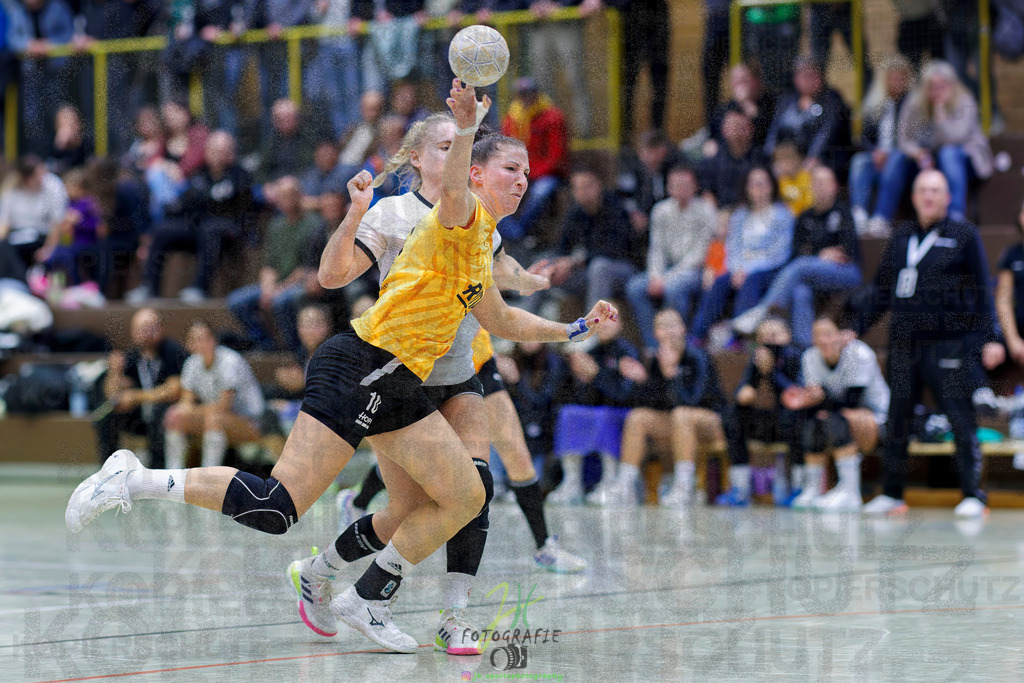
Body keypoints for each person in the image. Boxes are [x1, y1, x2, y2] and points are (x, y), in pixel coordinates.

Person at [65, 80, 616, 656]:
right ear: (475, 174)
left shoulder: (483, 238)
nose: (523, 180)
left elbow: (501, 319)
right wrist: (469, 127)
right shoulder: (458, 211)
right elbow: (442, 192)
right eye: (510, 168)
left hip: (396, 379)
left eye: (527, 172)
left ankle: (368, 598)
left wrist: (572, 330)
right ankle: (131, 480)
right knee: (277, 508)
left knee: (465, 493)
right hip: (362, 366)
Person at [317, 108, 583, 653]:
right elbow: (335, 275)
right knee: (406, 512)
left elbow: (500, 284)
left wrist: (542, 292)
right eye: (442, 145)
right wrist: (353, 216)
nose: (452, 152)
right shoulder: (399, 212)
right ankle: (319, 570)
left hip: (461, 369)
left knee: (475, 490)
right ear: (416, 157)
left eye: (456, 144)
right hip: (402, 375)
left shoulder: (481, 221)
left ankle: (453, 614)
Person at [852, 169, 1004, 519]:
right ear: (914, 196)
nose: (929, 196)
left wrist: (989, 338)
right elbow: (881, 291)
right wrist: (857, 328)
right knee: (899, 418)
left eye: (936, 190)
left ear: (948, 197)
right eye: (923, 190)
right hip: (904, 343)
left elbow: (983, 290)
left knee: (959, 417)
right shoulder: (902, 235)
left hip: (948, 342)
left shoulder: (963, 235)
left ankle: (972, 494)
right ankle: (892, 492)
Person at [606, 309, 726, 507]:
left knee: (682, 415)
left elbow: (695, 400)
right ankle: (625, 486)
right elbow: (654, 405)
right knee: (638, 417)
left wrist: (672, 374)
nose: (669, 331)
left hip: (711, 423)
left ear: (683, 329)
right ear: (655, 334)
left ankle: (683, 487)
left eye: (673, 325)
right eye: (662, 326)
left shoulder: (698, 357)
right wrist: (641, 381)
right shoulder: (656, 360)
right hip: (678, 425)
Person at [732, 166, 862, 347]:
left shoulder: (843, 211)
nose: (820, 186)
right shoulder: (805, 217)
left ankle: (763, 310)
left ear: (834, 186)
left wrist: (815, 254)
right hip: (812, 276)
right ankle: (803, 348)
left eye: (825, 182)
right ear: (810, 187)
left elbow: (845, 250)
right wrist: (820, 255)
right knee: (800, 291)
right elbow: (796, 252)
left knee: (802, 265)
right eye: (816, 182)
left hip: (847, 272)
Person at [780, 317, 890, 511]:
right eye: (818, 335)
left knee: (835, 420)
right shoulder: (810, 357)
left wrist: (820, 398)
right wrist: (809, 399)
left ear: (841, 335)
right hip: (836, 415)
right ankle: (812, 488)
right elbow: (818, 404)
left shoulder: (859, 353)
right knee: (811, 423)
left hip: (878, 419)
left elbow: (852, 401)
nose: (824, 340)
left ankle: (850, 492)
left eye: (828, 334)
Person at [689, 166, 794, 345]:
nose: (758, 189)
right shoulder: (739, 215)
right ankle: (698, 334)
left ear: (772, 186)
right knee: (720, 281)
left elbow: (780, 252)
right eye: (753, 184)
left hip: (769, 269)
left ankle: (738, 337)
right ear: (746, 188)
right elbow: (733, 248)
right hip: (740, 267)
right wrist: (738, 268)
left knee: (751, 280)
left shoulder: (783, 215)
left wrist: (748, 269)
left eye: (763, 184)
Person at [547, 309, 638, 505]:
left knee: (604, 416)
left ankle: (610, 480)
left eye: (611, 320)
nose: (605, 325)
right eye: (601, 320)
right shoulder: (590, 353)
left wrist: (597, 375)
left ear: (620, 324)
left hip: (623, 413)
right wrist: (581, 378)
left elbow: (624, 395)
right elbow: (582, 399)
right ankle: (571, 482)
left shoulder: (628, 352)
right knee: (568, 413)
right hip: (598, 411)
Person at [625, 165, 716, 354]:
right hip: (666, 269)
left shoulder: (705, 210)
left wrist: (665, 280)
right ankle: (653, 346)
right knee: (634, 287)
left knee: (674, 289)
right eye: (675, 185)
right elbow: (656, 249)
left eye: (685, 185)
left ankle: (676, 346)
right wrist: (656, 276)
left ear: (695, 186)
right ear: (668, 188)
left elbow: (699, 254)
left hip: (695, 270)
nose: (680, 189)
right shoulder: (660, 210)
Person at [226, 176, 321, 357]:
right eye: (281, 196)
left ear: (299, 196)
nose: (285, 201)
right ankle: (265, 344)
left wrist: (279, 290)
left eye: (289, 195)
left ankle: (295, 351)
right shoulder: (276, 225)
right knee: (236, 301)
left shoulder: (313, 224)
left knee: (281, 301)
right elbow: (269, 264)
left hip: (303, 283)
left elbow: (307, 267)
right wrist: (267, 289)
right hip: (279, 284)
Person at [717, 317, 806, 506]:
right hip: (766, 424)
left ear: (787, 336)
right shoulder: (757, 358)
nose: (769, 341)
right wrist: (744, 394)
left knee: (797, 417)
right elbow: (743, 391)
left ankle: (800, 487)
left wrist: (771, 371)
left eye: (774, 335)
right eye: (763, 337)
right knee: (733, 415)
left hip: (790, 423)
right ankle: (740, 488)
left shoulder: (797, 357)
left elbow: (796, 394)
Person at [890, 60, 993, 224]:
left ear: (952, 85)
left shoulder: (965, 100)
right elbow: (903, 139)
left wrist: (940, 116)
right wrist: (916, 152)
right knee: (897, 158)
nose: (937, 91)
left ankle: (956, 217)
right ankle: (882, 218)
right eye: (932, 86)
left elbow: (956, 138)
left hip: (965, 159)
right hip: (927, 158)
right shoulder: (915, 102)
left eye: (942, 86)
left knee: (948, 154)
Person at [161, 319, 267, 470]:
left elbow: (223, 407)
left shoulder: (230, 361)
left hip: (251, 422)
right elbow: (186, 403)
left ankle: (208, 475)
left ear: (213, 340)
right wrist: (182, 411)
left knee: (214, 419)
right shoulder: (191, 363)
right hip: (215, 417)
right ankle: (172, 476)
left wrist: (193, 411)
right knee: (174, 416)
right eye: (193, 339)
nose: (198, 343)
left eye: (202, 338)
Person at [94, 308, 188, 468]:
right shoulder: (133, 357)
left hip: (169, 416)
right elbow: (112, 394)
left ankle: (158, 470)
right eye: (141, 329)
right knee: (107, 414)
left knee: (161, 409)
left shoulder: (172, 351)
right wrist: (114, 372)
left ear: (160, 328)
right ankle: (110, 469)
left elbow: (173, 390)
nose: (146, 333)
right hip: (140, 418)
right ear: (133, 332)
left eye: (151, 327)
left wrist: (136, 396)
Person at [849, 54, 914, 233]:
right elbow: (862, 138)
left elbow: (914, 139)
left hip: (903, 161)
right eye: (894, 79)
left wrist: (890, 153)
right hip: (877, 158)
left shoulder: (912, 104)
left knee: (896, 158)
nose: (897, 83)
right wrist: (875, 151)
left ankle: (881, 218)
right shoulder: (875, 103)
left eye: (902, 79)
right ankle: (859, 215)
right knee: (860, 161)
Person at [499, 77, 569, 241]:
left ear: (537, 94)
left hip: (547, 173)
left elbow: (556, 157)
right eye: (522, 94)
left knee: (540, 193)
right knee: (493, 189)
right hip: (521, 171)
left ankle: (519, 233)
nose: (526, 98)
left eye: (529, 93)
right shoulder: (512, 118)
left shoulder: (552, 117)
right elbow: (504, 149)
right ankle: (513, 233)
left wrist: (530, 172)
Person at [764, 56, 851, 178]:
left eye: (812, 75)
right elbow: (775, 129)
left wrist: (813, 156)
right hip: (788, 156)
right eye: (804, 75)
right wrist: (770, 155)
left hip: (824, 158)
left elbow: (827, 132)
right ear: (796, 79)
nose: (809, 79)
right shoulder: (787, 101)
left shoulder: (832, 100)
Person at [0, 155, 69, 269]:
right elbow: (4, 223)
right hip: (16, 238)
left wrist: (48, 250)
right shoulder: (11, 189)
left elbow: (57, 222)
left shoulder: (53, 185)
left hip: (42, 237)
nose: (42, 178)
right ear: (27, 178)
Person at [698, 107, 766, 210]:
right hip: (719, 213)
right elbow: (706, 191)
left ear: (751, 129)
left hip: (751, 212)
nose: (736, 131)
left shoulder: (761, 158)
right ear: (723, 129)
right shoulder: (713, 158)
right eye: (732, 126)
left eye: (741, 126)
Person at [709, 63, 776, 149]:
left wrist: (747, 104)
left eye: (744, 80)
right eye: (736, 81)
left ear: (758, 81)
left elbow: (766, 133)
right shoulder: (726, 108)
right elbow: (714, 132)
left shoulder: (771, 103)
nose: (740, 85)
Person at [996, 199, 1024, 368]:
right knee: (988, 350)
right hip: (1019, 329)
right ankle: (983, 394)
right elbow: (1003, 300)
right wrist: (1013, 339)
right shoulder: (1011, 254)